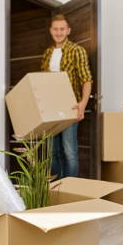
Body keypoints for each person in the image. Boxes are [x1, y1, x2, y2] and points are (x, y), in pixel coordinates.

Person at [41, 14, 93, 179]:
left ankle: (71, 188)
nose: (59, 32)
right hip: (50, 108)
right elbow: (42, 81)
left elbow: (86, 79)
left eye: (62, 29)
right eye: (55, 29)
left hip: (70, 106)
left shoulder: (77, 50)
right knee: (52, 151)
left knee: (69, 151)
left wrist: (83, 104)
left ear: (68, 30)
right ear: (51, 31)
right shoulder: (47, 53)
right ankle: (56, 186)